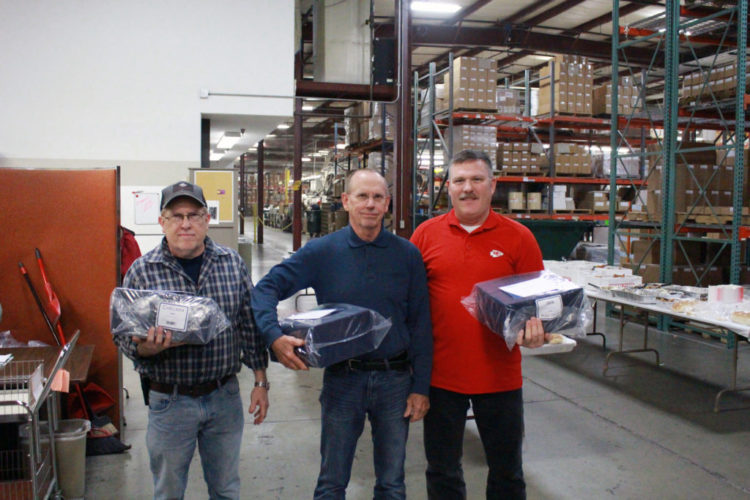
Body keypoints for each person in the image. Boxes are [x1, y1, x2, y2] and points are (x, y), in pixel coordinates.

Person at [251, 169, 432, 499]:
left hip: (395, 380)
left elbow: (421, 323)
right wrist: (273, 336)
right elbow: (265, 288)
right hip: (343, 379)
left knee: (392, 484)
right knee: (332, 483)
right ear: (346, 201)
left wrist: (420, 387)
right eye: (362, 196)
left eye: (377, 197)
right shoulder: (322, 251)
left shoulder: (407, 255)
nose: (370, 204)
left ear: (387, 204)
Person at [113, 180, 269, 500]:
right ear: (162, 221)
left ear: (206, 219)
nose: (185, 224)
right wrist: (145, 348)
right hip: (170, 400)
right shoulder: (142, 272)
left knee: (226, 489)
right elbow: (122, 334)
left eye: (194, 215)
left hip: (224, 396)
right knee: (169, 492)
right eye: (176, 215)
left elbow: (248, 325)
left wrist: (260, 381)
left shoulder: (231, 264)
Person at [410, 150, 548, 500]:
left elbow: (539, 304)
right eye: (459, 180)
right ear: (449, 187)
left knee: (507, 472)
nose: (467, 188)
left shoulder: (519, 237)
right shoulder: (425, 235)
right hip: (441, 376)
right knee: (442, 470)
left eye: (476, 179)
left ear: (493, 185)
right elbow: (408, 302)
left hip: (499, 375)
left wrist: (537, 332)